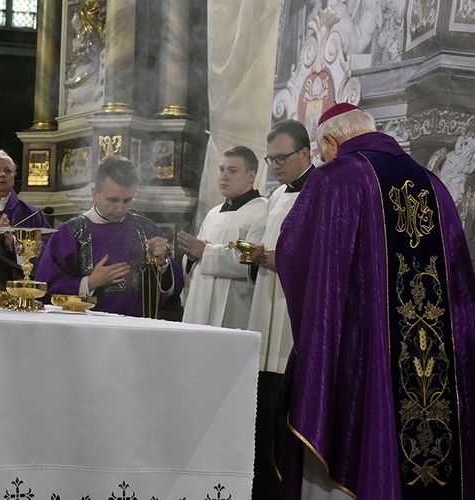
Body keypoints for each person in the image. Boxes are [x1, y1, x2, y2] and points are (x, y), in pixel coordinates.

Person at [274, 103, 475, 499]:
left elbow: (296, 254)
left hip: (361, 351)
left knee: (355, 436)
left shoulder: (335, 178)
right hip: (432, 359)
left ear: (330, 142)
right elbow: (460, 280)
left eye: (321, 150)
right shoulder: (432, 183)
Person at [244, 119, 314, 499]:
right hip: (266, 303)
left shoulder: (320, 192)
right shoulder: (277, 196)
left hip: (292, 310)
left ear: (305, 153)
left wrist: (281, 259)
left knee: (286, 403)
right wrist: (257, 256)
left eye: (281, 158)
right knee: (264, 405)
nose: (275, 166)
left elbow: (323, 255)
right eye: (270, 159)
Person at [36, 155, 183, 317]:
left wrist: (164, 263)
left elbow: (173, 292)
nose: (120, 209)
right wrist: (90, 282)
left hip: (137, 329)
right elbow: (46, 289)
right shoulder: (71, 233)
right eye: (112, 200)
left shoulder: (146, 229)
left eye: (127, 201)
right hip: (87, 332)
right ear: (95, 193)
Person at [176, 146, 267, 328]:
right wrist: (191, 257)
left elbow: (252, 260)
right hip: (200, 304)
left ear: (251, 176)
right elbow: (196, 259)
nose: (224, 176)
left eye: (233, 171)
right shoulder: (213, 213)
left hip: (235, 305)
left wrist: (204, 251)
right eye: (221, 169)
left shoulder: (262, 210)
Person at [0, 150, 52, 285]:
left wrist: (13, 242)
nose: (2, 174)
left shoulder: (30, 214)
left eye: (8, 171)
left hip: (18, 291)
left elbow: (49, 250)